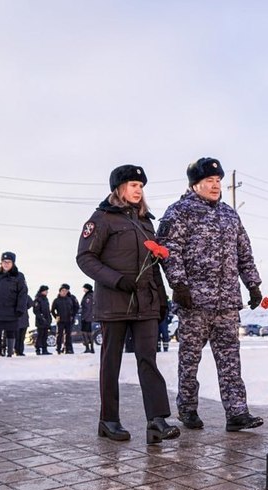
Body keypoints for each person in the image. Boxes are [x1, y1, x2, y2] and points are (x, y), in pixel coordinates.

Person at [157, 157, 264, 432]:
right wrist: (179, 286)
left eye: (218, 181)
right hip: (194, 302)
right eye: (209, 181)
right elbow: (169, 251)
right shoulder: (179, 212)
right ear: (195, 184)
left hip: (227, 302)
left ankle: (237, 412)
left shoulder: (230, 214)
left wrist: (252, 284)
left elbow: (244, 252)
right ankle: (188, 408)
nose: (216, 186)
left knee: (230, 359)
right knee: (190, 359)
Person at [77, 163, 180, 445]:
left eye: (141, 186)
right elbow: (85, 258)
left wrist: (160, 299)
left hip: (145, 304)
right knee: (111, 362)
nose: (139, 190)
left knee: (149, 358)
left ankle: (157, 421)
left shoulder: (146, 222)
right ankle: (108, 420)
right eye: (133, 185)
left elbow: (154, 265)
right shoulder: (101, 219)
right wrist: (117, 280)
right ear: (119, 189)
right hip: (114, 302)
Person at [51, 284, 78, 354]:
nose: (64, 292)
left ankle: (67, 349)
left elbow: (75, 308)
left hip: (69, 320)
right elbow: (52, 310)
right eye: (63, 291)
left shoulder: (70, 299)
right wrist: (56, 316)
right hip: (60, 320)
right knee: (59, 335)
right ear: (60, 291)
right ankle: (58, 349)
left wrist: (73, 315)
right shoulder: (56, 300)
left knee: (68, 335)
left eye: (66, 291)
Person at [32, 285, 52, 355]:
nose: (47, 292)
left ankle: (44, 349)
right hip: (40, 321)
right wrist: (42, 318)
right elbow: (36, 311)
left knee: (45, 336)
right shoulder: (37, 299)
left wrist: (49, 319)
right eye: (45, 291)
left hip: (46, 321)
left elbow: (48, 310)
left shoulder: (46, 299)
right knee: (40, 335)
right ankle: (38, 349)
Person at [80, 283, 95, 353]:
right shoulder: (91, 295)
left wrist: (84, 317)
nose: (83, 289)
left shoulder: (88, 296)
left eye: (84, 288)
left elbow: (88, 308)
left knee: (85, 333)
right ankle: (90, 348)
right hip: (89, 317)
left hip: (86, 317)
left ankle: (88, 348)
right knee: (88, 332)